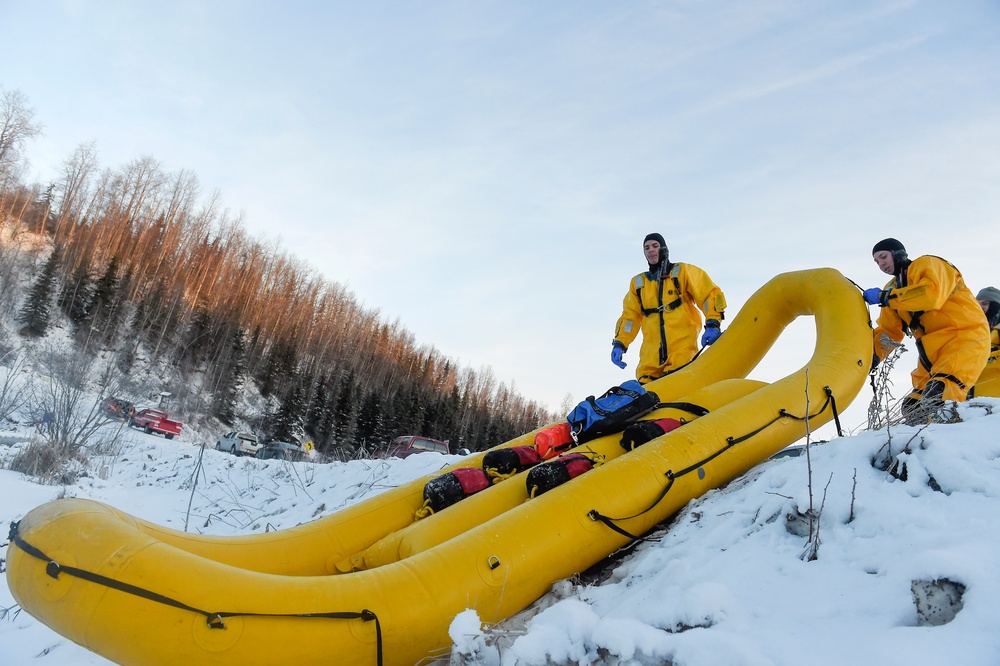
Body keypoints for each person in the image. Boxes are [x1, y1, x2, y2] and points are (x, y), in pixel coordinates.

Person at [863, 238, 990, 424]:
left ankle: (958, 442)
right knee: (912, 406)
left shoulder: (928, 264)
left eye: (883, 257)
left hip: (964, 338)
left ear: (898, 254)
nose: (881, 264)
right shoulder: (892, 289)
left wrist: (886, 297)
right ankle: (921, 447)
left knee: (941, 393)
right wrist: (871, 357)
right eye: (876, 262)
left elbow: (930, 294)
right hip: (930, 352)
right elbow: (889, 331)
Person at [611, 233, 727, 384]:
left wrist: (713, 324)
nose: (651, 250)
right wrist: (620, 343)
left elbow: (708, 294)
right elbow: (630, 317)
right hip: (650, 361)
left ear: (664, 249)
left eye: (655, 246)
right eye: (646, 248)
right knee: (647, 391)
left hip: (681, 353)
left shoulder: (682, 272)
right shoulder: (639, 284)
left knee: (680, 384)